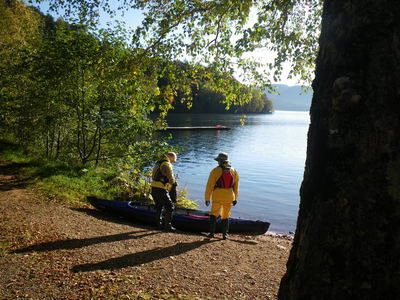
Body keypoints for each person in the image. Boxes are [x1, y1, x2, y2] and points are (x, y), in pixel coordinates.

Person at [204, 152, 239, 240]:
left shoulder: (215, 171)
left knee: (214, 214)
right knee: (225, 215)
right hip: (229, 196)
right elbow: (236, 186)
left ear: (219, 161)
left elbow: (209, 186)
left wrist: (207, 198)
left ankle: (211, 234)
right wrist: (235, 198)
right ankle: (224, 235)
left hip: (217, 196)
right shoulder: (234, 170)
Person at [151, 152, 178, 231]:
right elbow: (170, 178)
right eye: (175, 159)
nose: (175, 161)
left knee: (159, 206)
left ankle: (158, 225)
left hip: (153, 187)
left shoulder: (159, 162)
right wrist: (174, 183)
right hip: (160, 188)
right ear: (171, 157)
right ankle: (167, 226)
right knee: (170, 207)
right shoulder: (167, 164)